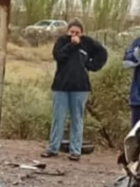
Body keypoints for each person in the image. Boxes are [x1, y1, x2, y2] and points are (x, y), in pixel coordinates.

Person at [42, 19, 108, 161]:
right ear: (67, 32)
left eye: (77, 32)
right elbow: (58, 56)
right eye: (72, 32)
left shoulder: (88, 43)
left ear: (82, 33)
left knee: (77, 119)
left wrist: (91, 65)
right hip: (61, 86)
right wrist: (71, 45)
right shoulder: (62, 42)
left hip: (80, 87)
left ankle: (75, 151)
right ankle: (53, 148)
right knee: (58, 119)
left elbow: (102, 53)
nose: (74, 34)